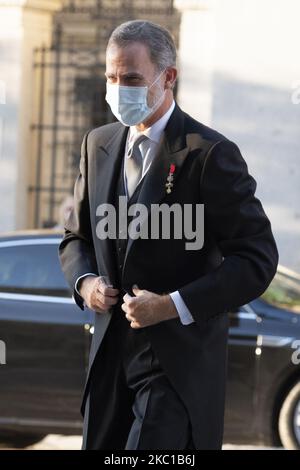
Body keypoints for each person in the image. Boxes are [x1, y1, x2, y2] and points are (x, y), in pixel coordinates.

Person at [59, 20, 278, 450]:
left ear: (168, 77)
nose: (119, 88)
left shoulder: (209, 153)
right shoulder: (97, 144)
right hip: (107, 363)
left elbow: (257, 259)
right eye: (111, 77)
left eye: (133, 79)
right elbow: (75, 239)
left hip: (175, 368)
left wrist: (173, 306)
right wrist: (85, 284)